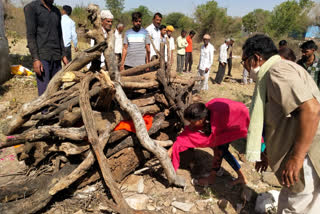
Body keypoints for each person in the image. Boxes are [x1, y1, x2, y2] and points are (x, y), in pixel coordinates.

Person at [242, 34, 320, 213]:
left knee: (298, 207)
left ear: (256, 58)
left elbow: (311, 110)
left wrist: (297, 157)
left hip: (306, 158)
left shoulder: (277, 71)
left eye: (244, 62)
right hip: (301, 152)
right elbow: (281, 117)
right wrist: (267, 151)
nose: (245, 67)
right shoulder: (282, 69)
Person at [167, 98, 249, 186]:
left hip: (238, 119)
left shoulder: (218, 120)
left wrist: (212, 173)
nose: (190, 124)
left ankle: (211, 179)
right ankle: (240, 177)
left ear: (201, 120)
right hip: (227, 113)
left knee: (221, 148)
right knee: (222, 150)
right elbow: (188, 132)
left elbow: (217, 148)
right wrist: (173, 148)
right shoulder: (203, 111)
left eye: (192, 122)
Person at [24, 0, 68, 96]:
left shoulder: (56, 11)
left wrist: (63, 54)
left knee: (57, 89)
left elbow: (59, 35)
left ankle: (56, 110)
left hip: (56, 56)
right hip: (42, 57)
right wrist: (35, 59)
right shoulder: (31, 8)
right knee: (44, 92)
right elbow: (31, 35)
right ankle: (45, 111)